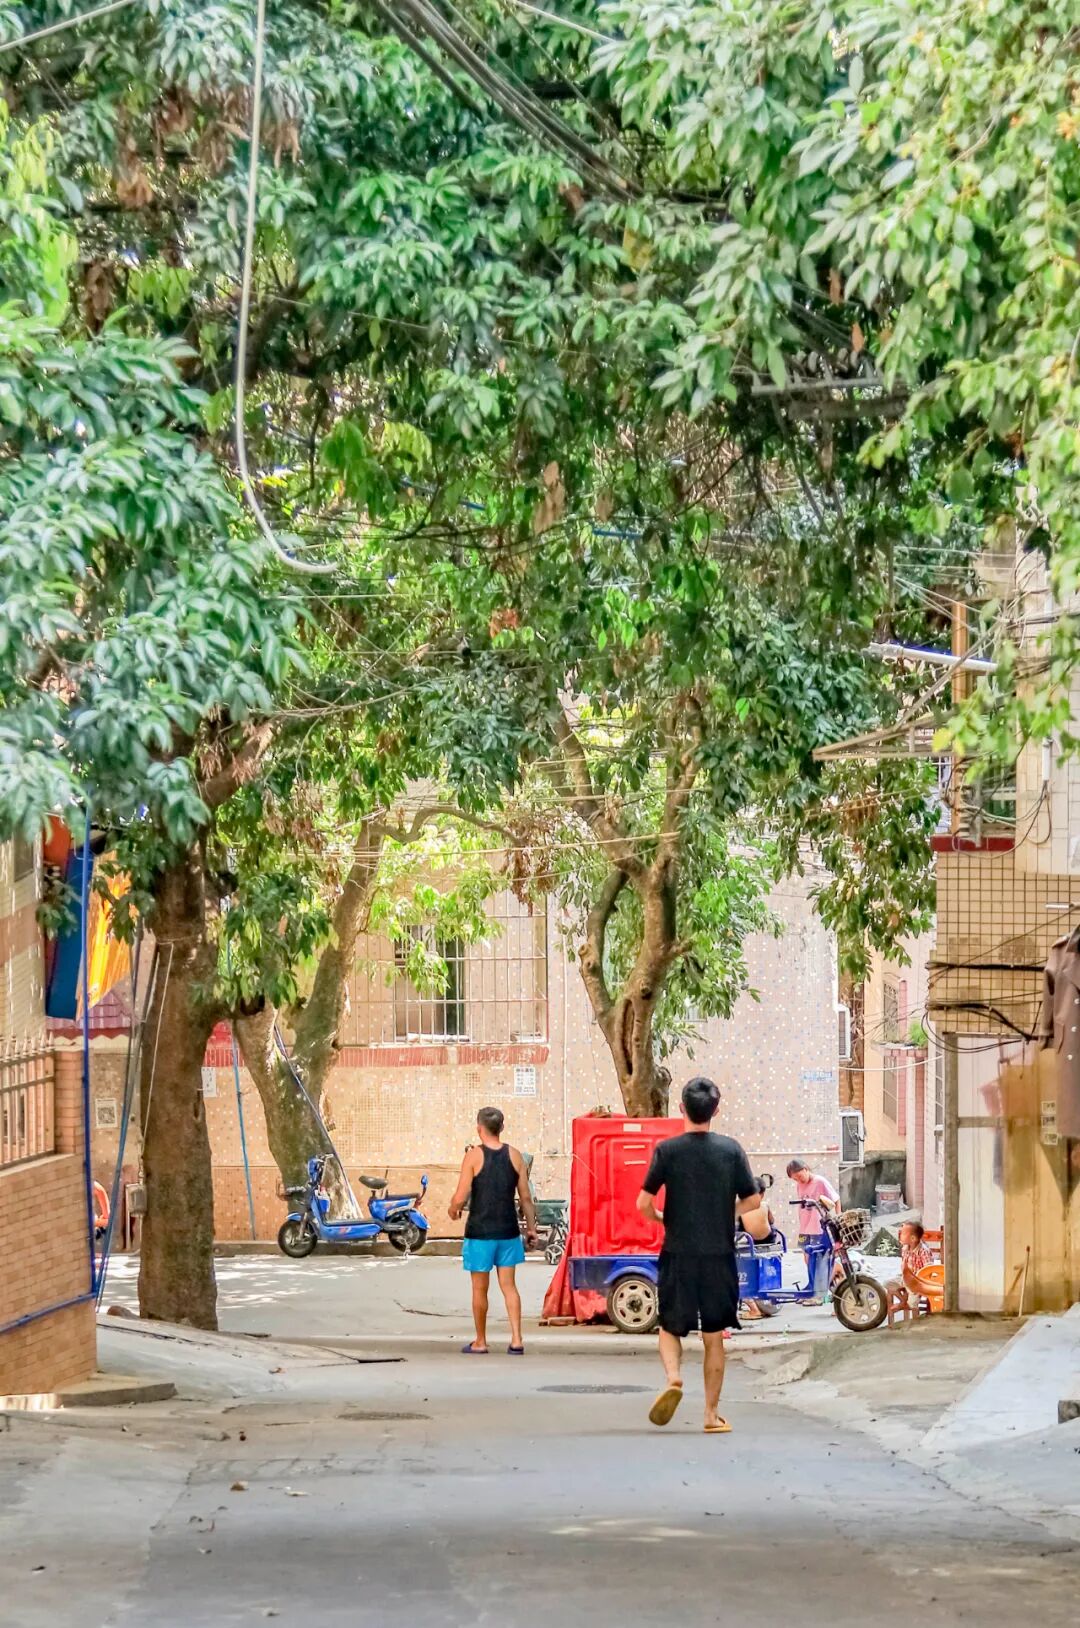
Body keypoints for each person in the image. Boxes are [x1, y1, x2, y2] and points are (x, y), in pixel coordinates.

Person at [636, 1077, 760, 1434]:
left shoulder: (668, 1151)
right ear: (715, 1111)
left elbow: (643, 1203)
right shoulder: (730, 1150)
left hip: (678, 1252)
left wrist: (663, 1218)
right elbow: (753, 1199)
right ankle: (710, 1414)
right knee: (714, 1334)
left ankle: (674, 1377)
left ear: (681, 1108)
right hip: (719, 1255)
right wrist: (726, 1212)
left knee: (669, 1326)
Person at [448, 1107, 538, 1355]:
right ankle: (517, 1339)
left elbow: (461, 1195)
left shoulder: (473, 1156)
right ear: (502, 1128)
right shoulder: (516, 1156)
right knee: (509, 1286)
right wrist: (531, 1229)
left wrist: (453, 1209)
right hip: (508, 1232)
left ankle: (480, 1341)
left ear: (479, 1128)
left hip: (480, 1233)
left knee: (480, 1289)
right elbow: (526, 1198)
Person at [786, 1157, 840, 1302]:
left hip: (818, 1227)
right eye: (795, 1179)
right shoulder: (799, 1185)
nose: (799, 1180)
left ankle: (819, 1291)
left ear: (805, 1169)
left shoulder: (820, 1182)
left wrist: (837, 1219)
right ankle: (811, 1287)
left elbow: (835, 1199)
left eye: (799, 1176)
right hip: (805, 1227)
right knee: (807, 1258)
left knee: (819, 1260)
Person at [886, 1220, 933, 1317]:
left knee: (913, 1303)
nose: (900, 1235)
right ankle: (903, 1303)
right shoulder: (905, 1248)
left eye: (903, 1233)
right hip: (905, 1277)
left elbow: (928, 1269)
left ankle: (911, 1314)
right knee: (887, 1284)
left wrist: (919, 1281)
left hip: (916, 1281)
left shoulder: (923, 1251)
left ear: (913, 1238)